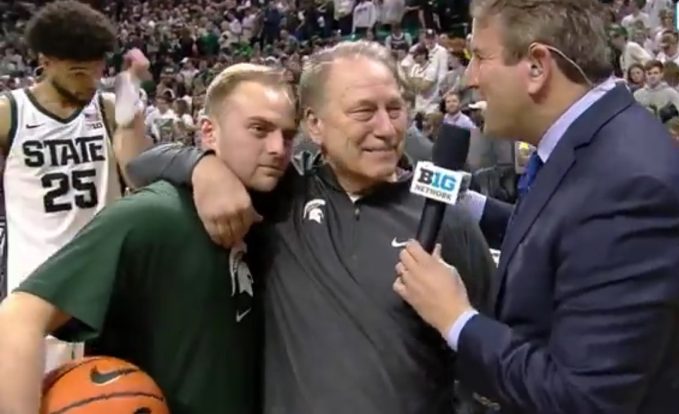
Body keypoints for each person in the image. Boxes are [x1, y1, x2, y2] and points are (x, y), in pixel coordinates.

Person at [127, 40, 495, 414]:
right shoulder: (281, 198)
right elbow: (140, 165)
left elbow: (490, 354)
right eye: (364, 112)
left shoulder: (447, 219)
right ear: (315, 125)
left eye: (395, 109)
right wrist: (202, 167)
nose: (386, 128)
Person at [393, 0, 679, 413]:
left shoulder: (630, 186)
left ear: (537, 66)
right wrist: (468, 202)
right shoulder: (601, 144)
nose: (470, 78)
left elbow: (580, 399)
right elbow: (567, 235)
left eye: (480, 57)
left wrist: (456, 318)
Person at [0, 63, 297, 414]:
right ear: (208, 131)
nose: (278, 148)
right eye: (259, 129)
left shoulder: (277, 210)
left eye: (288, 135)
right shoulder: (154, 214)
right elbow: (17, 319)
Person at [0, 0, 151, 371]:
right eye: (78, 72)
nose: (90, 82)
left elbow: (139, 176)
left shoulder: (109, 108)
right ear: (46, 61)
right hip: (35, 280)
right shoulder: (10, 112)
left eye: (96, 70)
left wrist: (131, 113)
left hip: (104, 280)